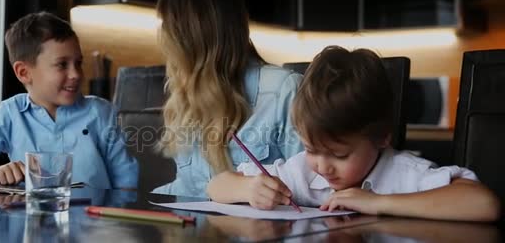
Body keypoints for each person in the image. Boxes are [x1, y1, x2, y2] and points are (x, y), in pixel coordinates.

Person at [207, 45, 501, 222]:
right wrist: (248, 189)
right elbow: (217, 186)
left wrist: (378, 203)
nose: (322, 166)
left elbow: (484, 204)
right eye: (311, 148)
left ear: (382, 137)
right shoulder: (302, 173)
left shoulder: (403, 174)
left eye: (339, 154)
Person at [0, 11, 138, 189]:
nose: (75, 74)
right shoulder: (10, 115)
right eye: (62, 65)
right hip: (32, 227)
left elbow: (127, 187)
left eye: (78, 63)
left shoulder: (103, 113)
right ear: (24, 73)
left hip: (95, 229)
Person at [152, 0, 303, 198]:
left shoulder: (285, 89)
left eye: (168, 29)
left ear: (191, 39)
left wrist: (242, 190)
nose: (163, 39)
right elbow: (186, 189)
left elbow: (313, 188)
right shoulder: (183, 97)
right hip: (195, 231)